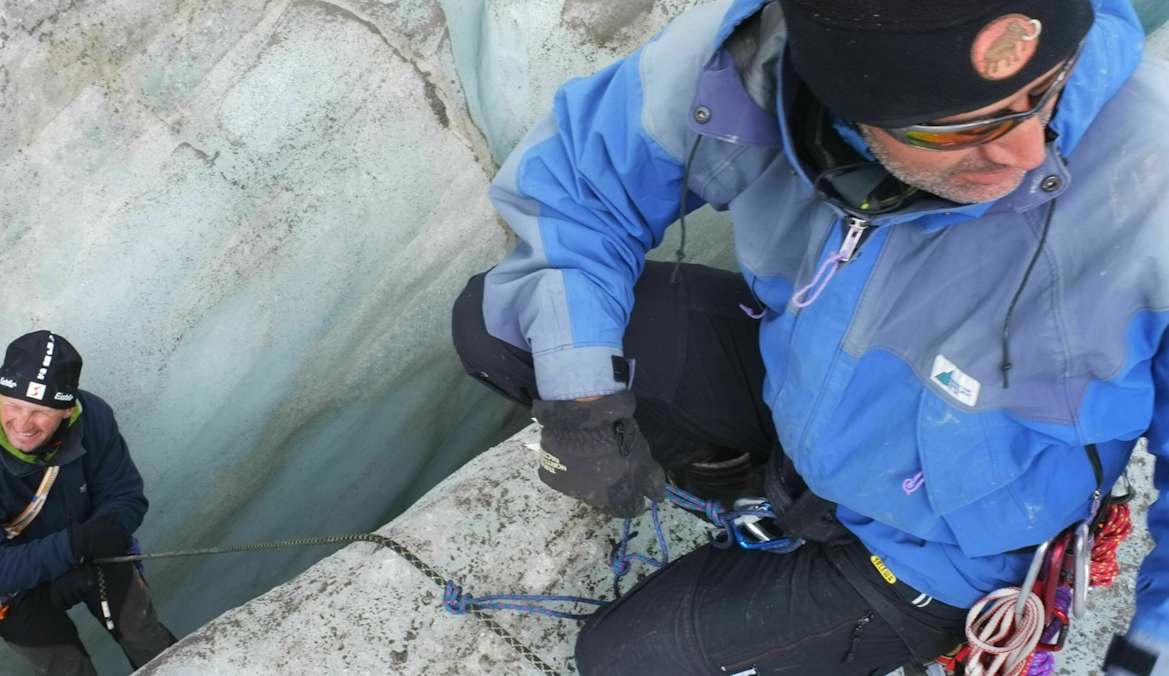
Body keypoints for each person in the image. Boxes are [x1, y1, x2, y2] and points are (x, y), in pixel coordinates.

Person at [451, 0, 1169, 673]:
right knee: (504, 325)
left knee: (623, 661)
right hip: (794, 386)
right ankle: (754, 482)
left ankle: (859, 581)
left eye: (1046, 90)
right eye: (957, 129)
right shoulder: (751, 54)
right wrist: (582, 401)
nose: (1028, 153)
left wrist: (1150, 650)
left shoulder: (1152, 182)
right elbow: (582, 188)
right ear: (840, 99)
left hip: (940, 546)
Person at [0, 331, 174, 675]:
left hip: (89, 553)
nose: (23, 424)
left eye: (40, 412)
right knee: (69, 670)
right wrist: (76, 543)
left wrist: (107, 529)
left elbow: (125, 495)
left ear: (66, 411)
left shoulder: (92, 417)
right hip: (8, 592)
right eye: (13, 405)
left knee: (147, 638)